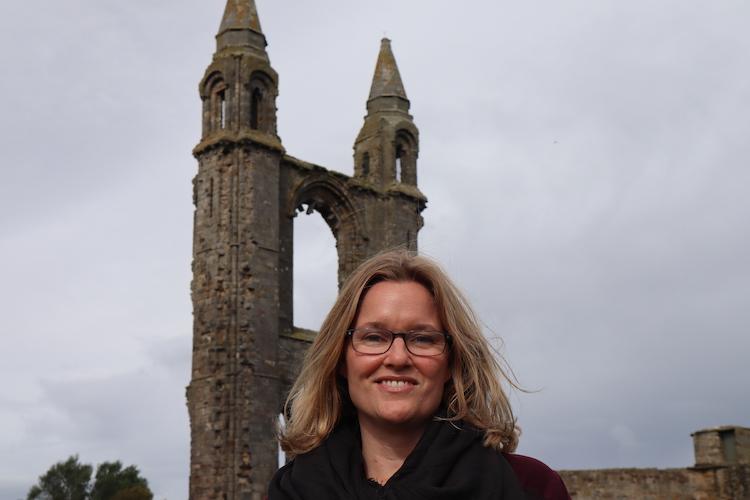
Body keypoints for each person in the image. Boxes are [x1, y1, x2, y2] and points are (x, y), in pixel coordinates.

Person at [270, 250, 570, 499]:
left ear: (452, 364)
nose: (398, 357)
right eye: (374, 337)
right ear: (340, 359)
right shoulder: (292, 492)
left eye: (423, 339)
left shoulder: (530, 487)